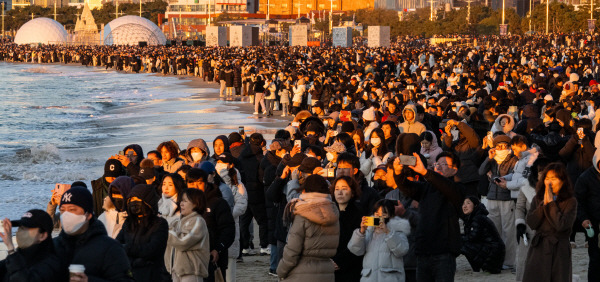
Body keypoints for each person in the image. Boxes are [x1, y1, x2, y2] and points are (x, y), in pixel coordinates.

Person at [393, 151, 464, 281]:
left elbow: (448, 188)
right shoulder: (427, 187)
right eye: (437, 164)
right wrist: (397, 172)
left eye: (444, 164)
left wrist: (425, 172)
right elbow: (407, 187)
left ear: (454, 170)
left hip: (444, 252)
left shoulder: (457, 188)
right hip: (423, 250)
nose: (439, 167)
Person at [53, 186, 134, 281]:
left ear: (88, 215)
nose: (66, 215)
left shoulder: (110, 248)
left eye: (72, 210)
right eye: (62, 210)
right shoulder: (52, 246)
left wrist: (89, 280)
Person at [276, 174, 340, 281]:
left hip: (301, 272)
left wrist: (281, 271)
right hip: (326, 271)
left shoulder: (303, 213)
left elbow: (292, 250)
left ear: (304, 190)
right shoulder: (333, 212)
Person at [523, 163, 577, 282]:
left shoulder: (570, 201)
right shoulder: (537, 198)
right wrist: (543, 206)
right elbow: (531, 223)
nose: (549, 182)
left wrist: (551, 204)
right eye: (547, 178)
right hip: (539, 247)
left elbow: (561, 225)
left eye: (554, 178)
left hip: (559, 249)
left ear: (562, 181)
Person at [186, 168, 235, 282]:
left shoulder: (218, 202)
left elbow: (228, 230)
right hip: (188, 259)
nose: (195, 186)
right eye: (191, 183)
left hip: (213, 258)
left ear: (206, 183)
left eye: (199, 183)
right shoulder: (183, 203)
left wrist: (218, 249)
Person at [116, 184, 170, 282]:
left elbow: (152, 249)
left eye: (137, 199)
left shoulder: (159, 223)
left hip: (152, 275)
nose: (133, 202)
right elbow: (117, 243)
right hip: (129, 274)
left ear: (148, 202)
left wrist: (127, 248)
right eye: (131, 200)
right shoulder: (129, 222)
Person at [348, 199, 411, 282]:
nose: (379, 217)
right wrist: (361, 231)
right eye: (377, 214)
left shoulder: (398, 230)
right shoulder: (369, 231)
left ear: (391, 216)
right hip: (369, 278)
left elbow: (402, 250)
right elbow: (355, 250)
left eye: (384, 214)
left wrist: (388, 232)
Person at [0, 209, 61, 281]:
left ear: (42, 236)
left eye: (26, 228)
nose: (19, 232)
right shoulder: (19, 256)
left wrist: (11, 249)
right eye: (20, 227)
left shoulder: (50, 264)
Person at [165, 188, 211, 282]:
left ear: (196, 203)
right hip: (176, 271)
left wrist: (165, 230)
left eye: (185, 201)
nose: (181, 204)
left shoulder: (198, 221)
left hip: (192, 271)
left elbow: (183, 241)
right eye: (181, 200)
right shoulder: (178, 222)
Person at [330, 176, 364, 282]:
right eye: (337, 189)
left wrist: (340, 261)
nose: (340, 192)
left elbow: (359, 245)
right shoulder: (328, 212)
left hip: (351, 269)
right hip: (328, 267)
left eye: (344, 189)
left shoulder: (359, 214)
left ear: (352, 192)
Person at [460, 196, 505, 274]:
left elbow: (472, 237)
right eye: (463, 204)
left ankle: (478, 268)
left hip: (493, 252)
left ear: (475, 205)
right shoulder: (472, 217)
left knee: (461, 243)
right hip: (490, 250)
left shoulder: (478, 218)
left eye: (468, 203)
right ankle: (478, 267)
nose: (465, 206)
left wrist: (457, 237)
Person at [574, 148, 600, 282]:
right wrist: (583, 218)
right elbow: (578, 201)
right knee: (595, 258)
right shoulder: (585, 177)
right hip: (594, 224)